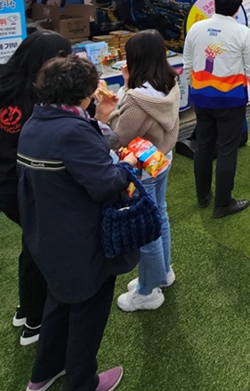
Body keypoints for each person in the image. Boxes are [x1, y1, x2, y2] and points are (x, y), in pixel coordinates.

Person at [18, 56, 139, 391]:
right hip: (81, 237)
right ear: (84, 92)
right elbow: (104, 183)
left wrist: (97, 121)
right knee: (88, 311)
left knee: (58, 302)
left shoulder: (36, 121)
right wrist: (127, 163)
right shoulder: (72, 130)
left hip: (46, 234)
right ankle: (82, 382)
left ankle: (44, 373)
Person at [0, 30, 72, 346]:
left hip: (3, 182)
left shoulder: (6, 85)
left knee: (32, 246)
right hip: (24, 187)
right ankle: (36, 322)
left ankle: (27, 309)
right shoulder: (34, 98)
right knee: (41, 251)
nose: (66, 65)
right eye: (61, 59)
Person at [98, 29, 181, 313]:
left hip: (142, 169)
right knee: (160, 214)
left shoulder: (136, 98)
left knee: (146, 228)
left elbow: (118, 136)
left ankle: (148, 290)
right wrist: (126, 87)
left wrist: (111, 107)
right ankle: (162, 274)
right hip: (162, 158)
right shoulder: (170, 81)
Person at [183, 0, 250, 217]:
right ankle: (222, 203)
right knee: (227, 150)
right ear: (238, 8)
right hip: (231, 101)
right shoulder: (242, 32)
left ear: (215, 3)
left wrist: (196, 87)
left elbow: (187, 63)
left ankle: (203, 197)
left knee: (204, 147)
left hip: (201, 98)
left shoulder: (196, 29)